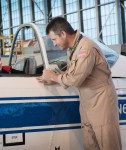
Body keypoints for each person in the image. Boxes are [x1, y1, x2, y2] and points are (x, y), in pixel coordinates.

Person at [37, 17, 122, 150]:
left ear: (63, 34)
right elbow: (72, 71)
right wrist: (53, 78)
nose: (54, 44)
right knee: (90, 144)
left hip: (101, 102)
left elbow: (75, 78)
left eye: (54, 39)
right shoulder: (73, 48)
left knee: (108, 144)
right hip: (88, 102)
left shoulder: (86, 48)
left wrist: (53, 77)